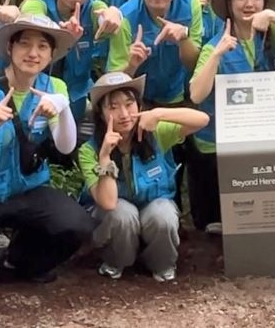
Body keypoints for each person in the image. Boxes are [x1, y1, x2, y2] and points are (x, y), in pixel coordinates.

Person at [0, 15, 95, 294]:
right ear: (9, 48)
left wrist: (63, 109)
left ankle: (19, 263)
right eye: (24, 44)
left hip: (26, 190)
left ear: (51, 54)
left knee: (75, 223)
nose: (33, 53)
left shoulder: (54, 88)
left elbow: (65, 147)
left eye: (42, 47)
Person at [187, 0, 275, 233]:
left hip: (263, 139)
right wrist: (216, 55)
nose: (249, 4)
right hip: (217, 144)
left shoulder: (272, 36)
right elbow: (196, 94)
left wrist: (274, 15)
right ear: (229, 5)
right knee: (215, 224)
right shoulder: (213, 46)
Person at [81, 72, 209, 282]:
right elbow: (108, 202)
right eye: (113, 107)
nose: (123, 114)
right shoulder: (89, 150)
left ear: (139, 106)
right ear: (101, 113)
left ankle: (162, 264)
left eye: (130, 104)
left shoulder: (156, 133)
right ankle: (116, 262)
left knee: (163, 214)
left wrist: (159, 113)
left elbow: (202, 120)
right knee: (122, 213)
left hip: (153, 206)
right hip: (117, 214)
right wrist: (104, 157)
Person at [21, 0, 125, 124]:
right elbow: (30, 19)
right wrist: (62, 37)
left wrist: (115, 14)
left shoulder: (93, 7)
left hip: (77, 96)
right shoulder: (38, 5)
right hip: (36, 92)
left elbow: (105, 15)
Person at [107, 0, 203, 107]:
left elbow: (194, 64)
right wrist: (131, 65)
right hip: (139, 99)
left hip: (181, 95)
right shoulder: (126, 17)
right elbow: (114, 80)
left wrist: (183, 39)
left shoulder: (191, 5)